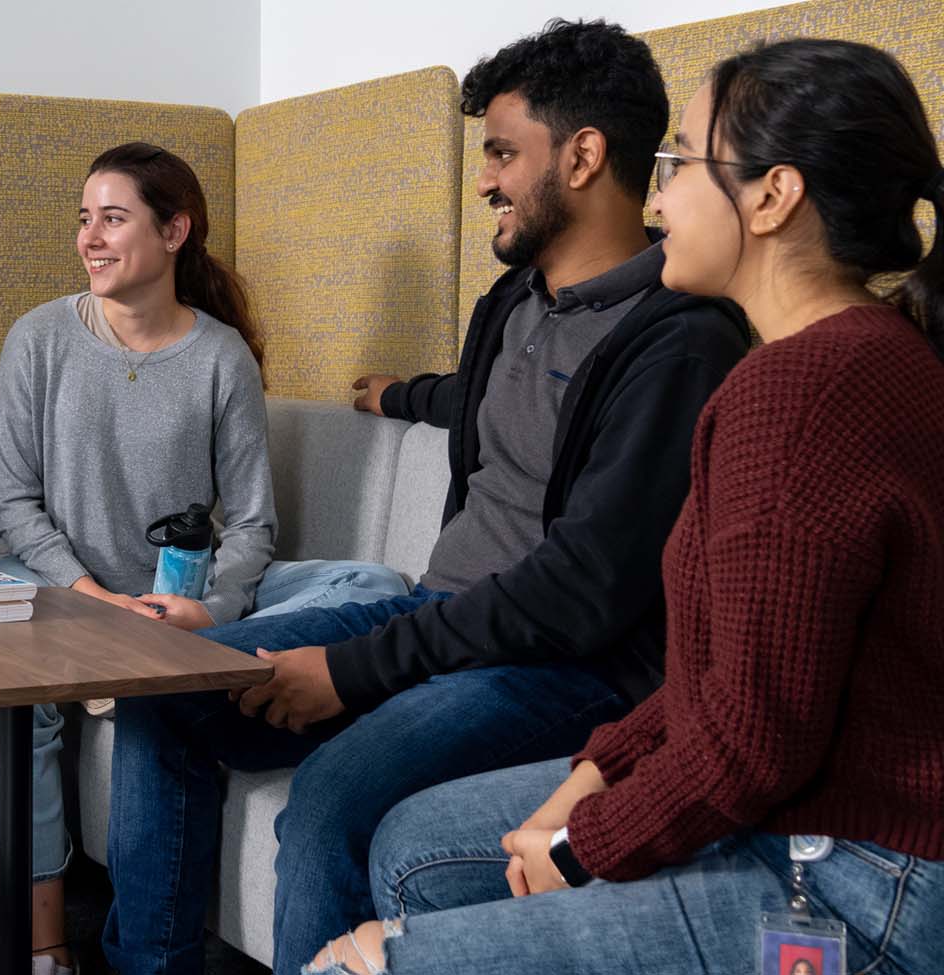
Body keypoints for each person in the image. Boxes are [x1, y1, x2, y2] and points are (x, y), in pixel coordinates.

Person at [101, 21, 755, 974]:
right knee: (164, 685)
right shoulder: (514, 303)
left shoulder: (683, 341)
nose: (483, 180)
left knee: (332, 795)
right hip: (438, 619)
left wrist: (356, 665)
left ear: (582, 156)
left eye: (500, 153)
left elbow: (581, 591)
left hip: (560, 667)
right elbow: (479, 395)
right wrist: (392, 395)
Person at [312, 37, 944, 975]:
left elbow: (752, 741)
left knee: (360, 960)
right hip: (812, 819)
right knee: (416, 847)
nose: (655, 199)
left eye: (680, 163)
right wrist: (597, 771)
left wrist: (581, 845)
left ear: (773, 196)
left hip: (852, 873)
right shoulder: (847, 357)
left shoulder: (800, 393)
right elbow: (727, 678)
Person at [0, 142, 408, 974]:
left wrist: (205, 609)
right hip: (65, 593)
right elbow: (11, 507)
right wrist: (95, 596)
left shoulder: (220, 356)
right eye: (84, 219)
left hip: (181, 601)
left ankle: (182, 667)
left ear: (175, 230)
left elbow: (252, 526)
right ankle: (45, 944)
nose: (90, 237)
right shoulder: (40, 340)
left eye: (113, 218)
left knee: (377, 585)